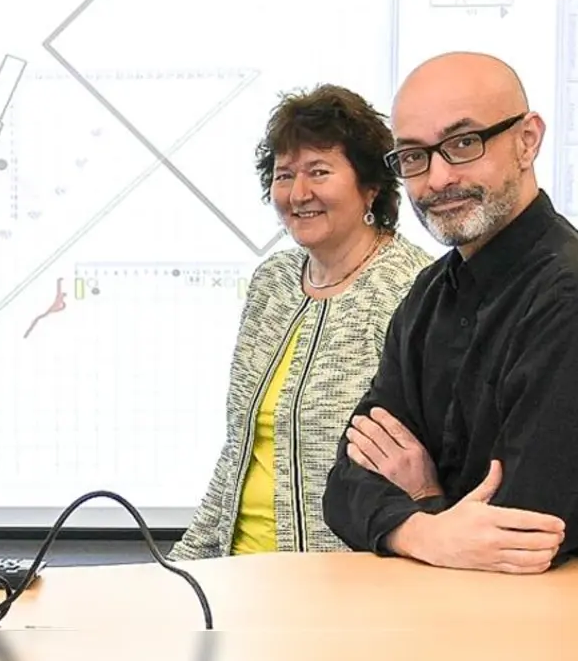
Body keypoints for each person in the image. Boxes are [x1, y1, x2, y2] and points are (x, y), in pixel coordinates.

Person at [321, 51, 578, 606]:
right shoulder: (429, 296)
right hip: (448, 616)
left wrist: (422, 494)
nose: (438, 178)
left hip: (568, 631)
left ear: (527, 140)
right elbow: (344, 485)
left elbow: (526, 536)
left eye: (464, 143)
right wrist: (430, 528)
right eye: (413, 156)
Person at [169, 85, 432, 559]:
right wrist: (183, 565)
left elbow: (422, 469)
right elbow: (238, 456)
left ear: (370, 185)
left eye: (319, 172)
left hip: (345, 592)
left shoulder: (410, 287)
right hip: (237, 578)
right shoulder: (273, 282)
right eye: (284, 174)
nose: (298, 193)